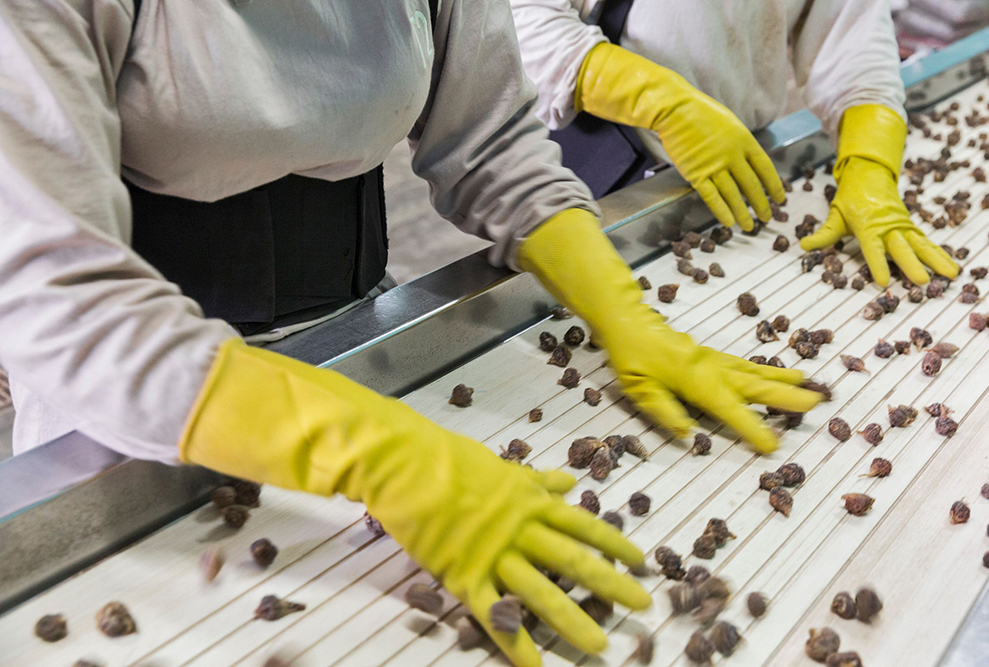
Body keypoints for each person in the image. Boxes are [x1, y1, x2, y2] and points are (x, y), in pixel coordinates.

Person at [0, 0, 821, 663]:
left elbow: (491, 143)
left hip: (358, 339)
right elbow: (61, 300)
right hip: (137, 394)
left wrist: (625, 314)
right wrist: (381, 456)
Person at [510, 0, 961, 287]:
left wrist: (869, 160)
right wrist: (658, 101)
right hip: (603, 163)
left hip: (732, 167)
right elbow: (517, 20)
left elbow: (849, 33)